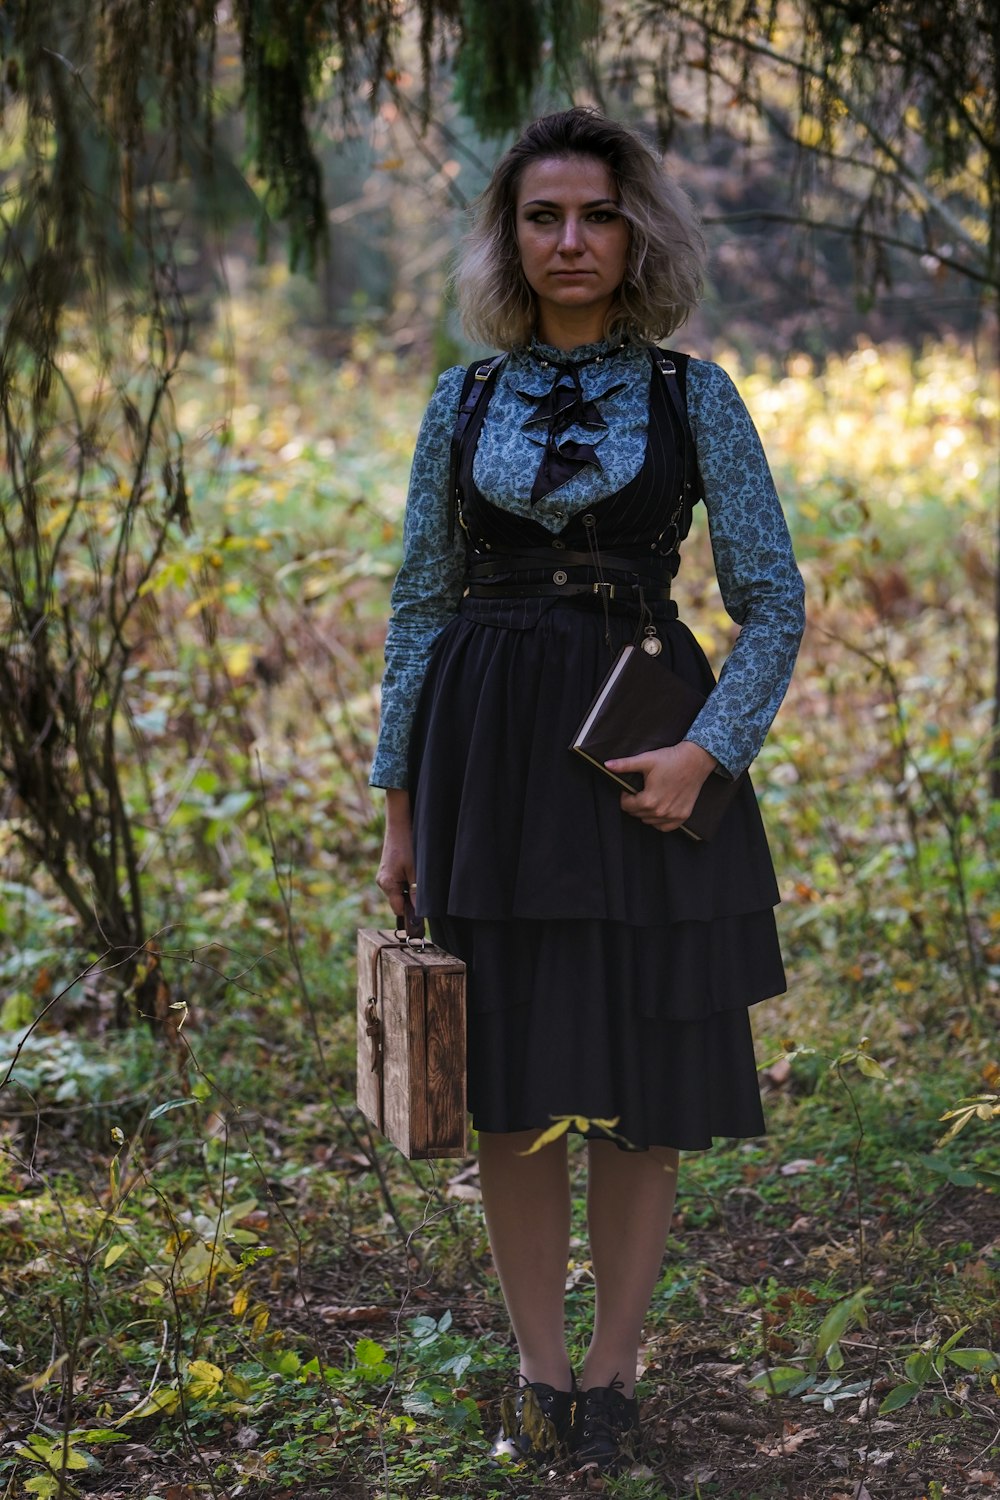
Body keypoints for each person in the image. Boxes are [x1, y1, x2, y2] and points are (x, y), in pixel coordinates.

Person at [371, 107, 805, 1475]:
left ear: (637, 234)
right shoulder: (464, 402)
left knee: (639, 1080)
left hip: (640, 759)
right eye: (542, 215)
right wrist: (399, 807)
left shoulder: (695, 398)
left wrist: (709, 753)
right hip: (487, 767)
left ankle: (613, 1371)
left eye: (596, 215)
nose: (570, 239)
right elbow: (420, 603)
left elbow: (774, 599)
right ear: (510, 237)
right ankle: (537, 1372)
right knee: (505, 1082)